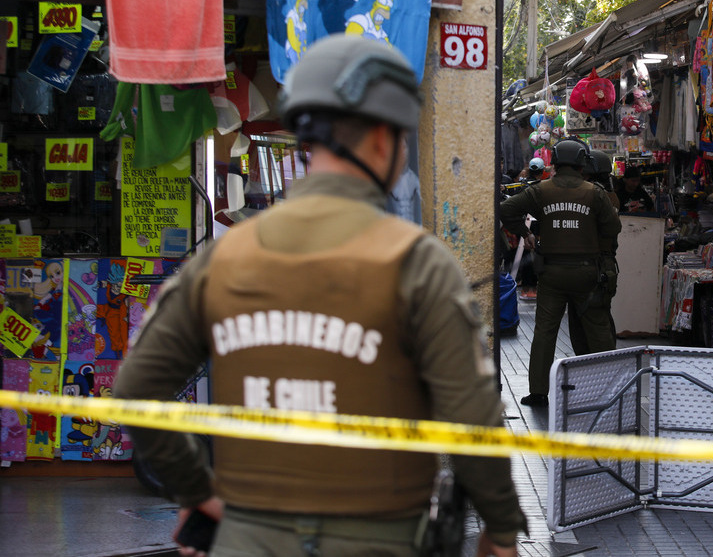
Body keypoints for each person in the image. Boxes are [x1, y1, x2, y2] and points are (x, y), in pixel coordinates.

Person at [114, 35, 526, 557]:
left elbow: (136, 389)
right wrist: (502, 530)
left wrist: (199, 491)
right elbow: (472, 417)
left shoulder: (223, 259)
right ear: (382, 141)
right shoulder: (417, 263)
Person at [499, 139, 621, 407]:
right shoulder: (595, 193)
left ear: (553, 160)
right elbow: (613, 229)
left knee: (545, 332)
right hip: (588, 274)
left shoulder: (541, 191)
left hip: (551, 274)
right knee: (597, 330)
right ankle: (608, 387)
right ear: (581, 162)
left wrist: (526, 233)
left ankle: (538, 392)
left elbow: (507, 210)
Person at [567, 150, 620, 353]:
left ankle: (602, 372)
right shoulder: (606, 195)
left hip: (595, 266)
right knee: (598, 319)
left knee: (593, 324)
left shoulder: (598, 196)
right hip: (600, 266)